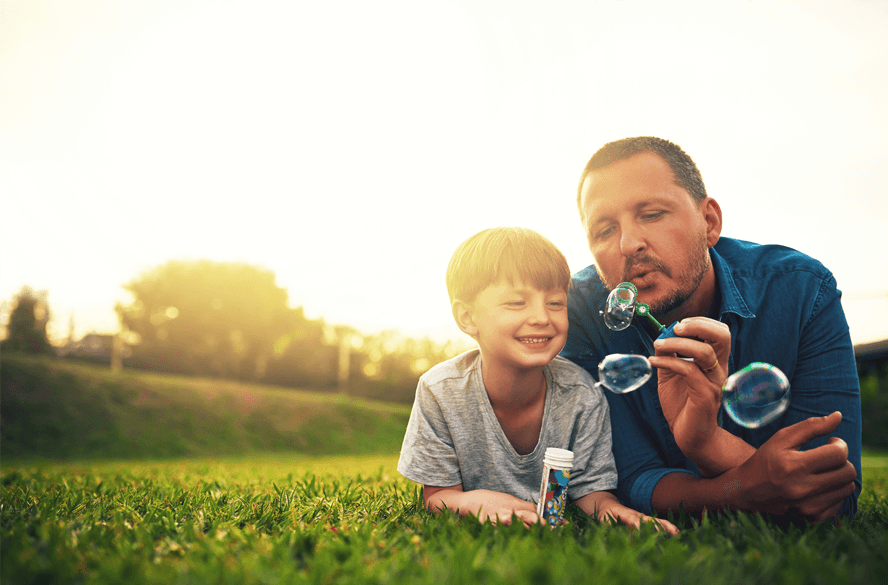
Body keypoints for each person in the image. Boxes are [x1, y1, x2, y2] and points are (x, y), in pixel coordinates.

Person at [561, 136, 861, 525]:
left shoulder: (802, 291)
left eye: (651, 214)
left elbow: (833, 497)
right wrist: (741, 487)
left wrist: (709, 443)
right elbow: (628, 477)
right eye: (604, 230)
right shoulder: (576, 311)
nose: (628, 244)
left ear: (709, 222)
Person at [398, 227, 678, 532]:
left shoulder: (582, 394)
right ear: (467, 317)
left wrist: (615, 512)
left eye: (555, 303)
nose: (542, 317)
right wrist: (474, 502)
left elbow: (592, 493)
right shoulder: (440, 391)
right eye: (516, 303)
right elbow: (438, 496)